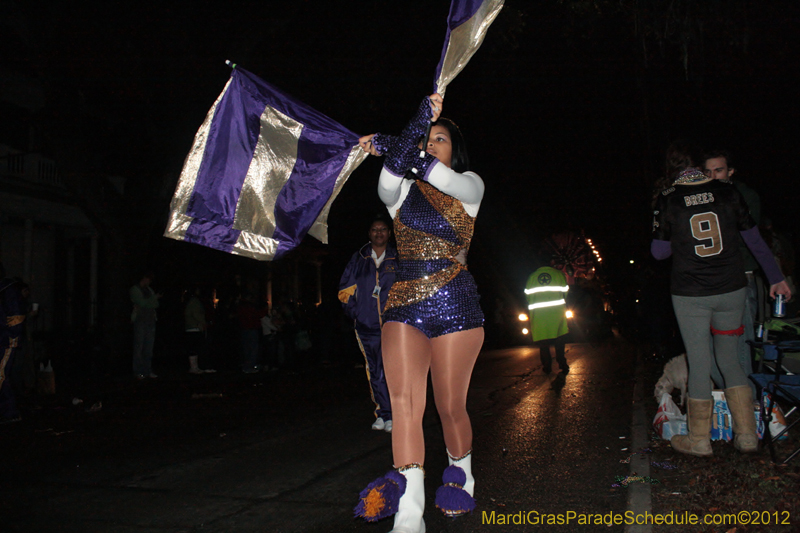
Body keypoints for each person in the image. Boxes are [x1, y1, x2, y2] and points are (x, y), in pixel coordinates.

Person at [353, 93, 484, 531]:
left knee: (450, 406)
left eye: (440, 139)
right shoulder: (398, 194)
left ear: (455, 149)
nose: (431, 145)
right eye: (427, 139)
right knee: (404, 405)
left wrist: (390, 139)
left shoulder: (471, 186)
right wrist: (407, 131)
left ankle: (461, 477)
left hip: (456, 304)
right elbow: (392, 175)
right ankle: (410, 514)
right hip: (404, 305)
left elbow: (432, 172)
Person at [651, 141, 792, 457]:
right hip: (731, 289)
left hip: (691, 294)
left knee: (700, 360)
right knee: (730, 359)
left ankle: (699, 440)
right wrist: (777, 278)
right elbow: (755, 241)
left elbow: (659, 252)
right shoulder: (729, 192)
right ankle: (747, 436)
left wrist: (679, 235)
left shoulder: (669, 198)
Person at [704, 150, 761, 392]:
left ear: (730, 171)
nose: (713, 176)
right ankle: (732, 401)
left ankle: (749, 406)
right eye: (708, 172)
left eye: (718, 170)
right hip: (708, 284)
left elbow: (751, 239)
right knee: (708, 354)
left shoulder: (745, 196)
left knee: (740, 351)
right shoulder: (699, 199)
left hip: (740, 279)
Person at [338, 216, 398, 432]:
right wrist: (357, 313)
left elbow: (409, 289)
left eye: (383, 229)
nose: (379, 233)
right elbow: (345, 292)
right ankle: (383, 413)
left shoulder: (397, 257)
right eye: (375, 229)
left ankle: (396, 413)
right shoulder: (359, 258)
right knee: (375, 370)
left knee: (393, 369)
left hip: (394, 326)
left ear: (389, 233)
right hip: (367, 327)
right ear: (369, 233)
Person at [525, 265, 570, 374]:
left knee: (543, 343)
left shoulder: (532, 277)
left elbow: (527, 296)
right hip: (557, 314)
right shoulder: (559, 275)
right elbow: (565, 293)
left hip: (539, 316)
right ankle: (562, 363)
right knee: (559, 340)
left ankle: (547, 366)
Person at [0, 264, 25, 424]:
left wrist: (11, 336)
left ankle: (10, 412)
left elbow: (16, 316)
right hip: (3, 338)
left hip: (5, 340)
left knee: (1, 375)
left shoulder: (7, 290)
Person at [130, 272, 161, 379]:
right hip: (140, 320)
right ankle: (138, 371)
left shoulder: (149, 290)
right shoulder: (135, 289)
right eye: (148, 279)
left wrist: (149, 302)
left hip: (151, 320)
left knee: (149, 348)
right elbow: (141, 302)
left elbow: (156, 304)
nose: (149, 282)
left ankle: (147, 370)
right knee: (139, 347)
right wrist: (153, 299)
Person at [184, 286, 215, 374]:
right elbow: (196, 314)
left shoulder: (192, 301)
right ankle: (194, 367)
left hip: (193, 327)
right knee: (195, 348)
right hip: (194, 327)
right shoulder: (194, 301)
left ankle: (195, 367)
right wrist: (203, 322)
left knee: (194, 348)